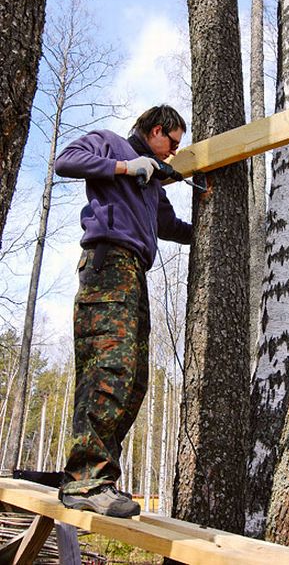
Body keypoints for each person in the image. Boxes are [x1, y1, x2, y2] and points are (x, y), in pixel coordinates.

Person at [55, 105, 192, 518]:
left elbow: (170, 226)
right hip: (107, 262)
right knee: (108, 372)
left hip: (135, 273)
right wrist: (125, 167)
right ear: (155, 130)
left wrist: (209, 229)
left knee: (133, 380)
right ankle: (84, 481)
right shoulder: (112, 144)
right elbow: (66, 161)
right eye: (172, 143)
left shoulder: (154, 181)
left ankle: (100, 476)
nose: (172, 153)